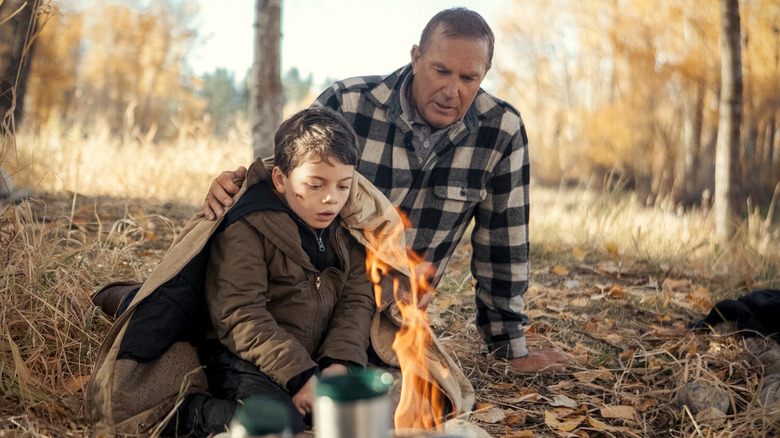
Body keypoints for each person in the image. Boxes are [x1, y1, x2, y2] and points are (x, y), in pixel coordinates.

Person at [203, 8, 567, 373]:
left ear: (485, 74)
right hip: (316, 305)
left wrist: (509, 350)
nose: (451, 90)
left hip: (399, 322)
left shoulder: (502, 131)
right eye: (440, 70)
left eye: (468, 77)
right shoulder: (347, 103)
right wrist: (238, 188)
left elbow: (503, 248)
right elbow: (288, 179)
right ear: (416, 57)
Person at [88, 107, 475, 436]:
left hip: (316, 354)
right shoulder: (249, 226)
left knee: (407, 401)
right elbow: (239, 313)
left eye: (343, 185)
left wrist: (337, 364)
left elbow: (358, 301)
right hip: (246, 356)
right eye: (315, 184)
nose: (331, 198)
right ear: (281, 180)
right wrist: (299, 376)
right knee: (280, 423)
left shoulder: (352, 228)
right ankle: (189, 413)